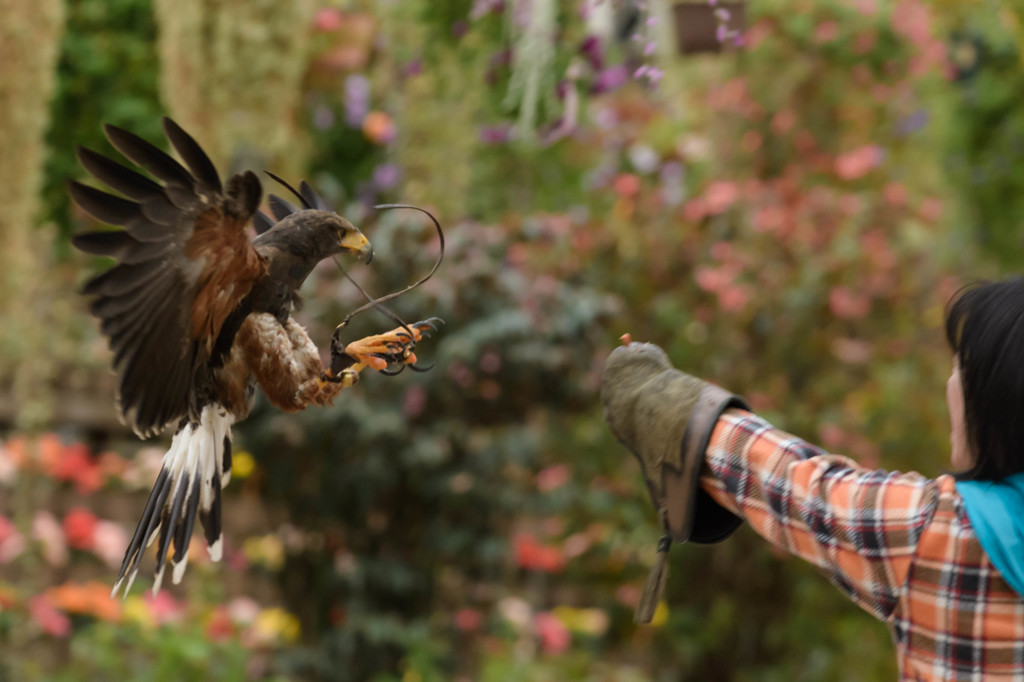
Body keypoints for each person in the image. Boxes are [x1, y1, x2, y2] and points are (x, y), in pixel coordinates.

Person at [601, 279, 1024, 681]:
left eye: (961, 367)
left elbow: (790, 482)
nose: (951, 384)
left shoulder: (934, 532)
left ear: (999, 399)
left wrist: (657, 391)